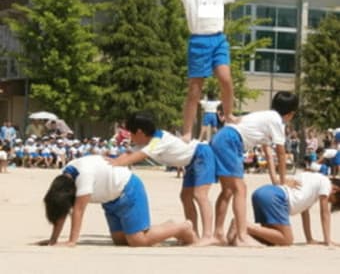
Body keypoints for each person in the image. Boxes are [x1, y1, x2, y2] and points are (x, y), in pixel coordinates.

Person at [131, 0, 287, 141]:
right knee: (194, 91)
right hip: (199, 42)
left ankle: (229, 115)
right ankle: (188, 132)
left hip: (219, 40)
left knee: (226, 79)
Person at [36, 154, 195, 247]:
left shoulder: (83, 176)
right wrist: (53, 240)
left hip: (128, 190)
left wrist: (71, 241)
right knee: (120, 240)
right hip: (110, 200)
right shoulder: (65, 178)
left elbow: (78, 211)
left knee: (137, 241)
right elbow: (61, 210)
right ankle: (169, 226)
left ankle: (183, 227)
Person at [109, 111, 217, 246]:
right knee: (186, 196)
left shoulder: (157, 140)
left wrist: (117, 163)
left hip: (201, 154)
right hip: (190, 162)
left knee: (200, 195)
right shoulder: (146, 141)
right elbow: (129, 153)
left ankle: (208, 235)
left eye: (131, 133)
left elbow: (139, 156)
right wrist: (110, 162)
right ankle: (193, 232)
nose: (130, 137)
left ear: (140, 132)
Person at [210, 91, 299, 246]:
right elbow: (281, 153)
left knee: (228, 191)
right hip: (231, 140)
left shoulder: (265, 117)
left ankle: (218, 233)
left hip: (222, 137)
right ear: (291, 114)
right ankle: (242, 235)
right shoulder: (277, 121)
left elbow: (269, 154)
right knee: (240, 189)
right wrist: (284, 184)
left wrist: (275, 181)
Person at [242, 172, 340, 246]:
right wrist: (328, 240)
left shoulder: (312, 179)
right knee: (287, 240)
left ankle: (239, 231)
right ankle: (243, 226)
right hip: (276, 198)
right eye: (334, 201)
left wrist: (309, 239)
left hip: (264, 192)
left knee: (272, 240)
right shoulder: (326, 183)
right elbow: (324, 213)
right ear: (335, 189)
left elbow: (305, 212)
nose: (330, 202)